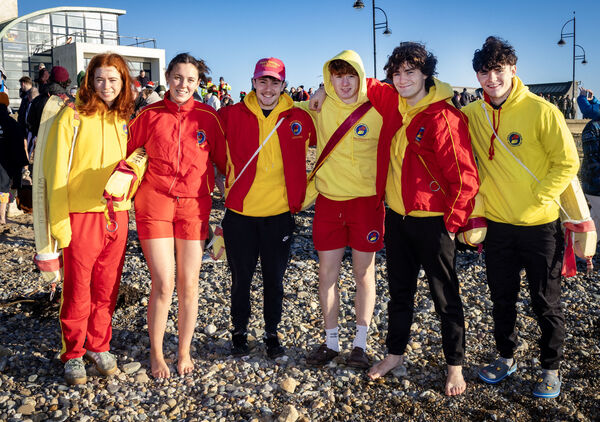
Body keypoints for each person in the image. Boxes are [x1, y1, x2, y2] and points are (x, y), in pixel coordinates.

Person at [309, 42, 479, 395]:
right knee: (400, 292)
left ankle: (455, 367)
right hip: (399, 216)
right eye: (397, 73)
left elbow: (465, 178)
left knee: (444, 296)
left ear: (425, 74)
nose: (402, 80)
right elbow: (356, 81)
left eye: (410, 72)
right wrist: (321, 89)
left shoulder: (443, 116)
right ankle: (394, 354)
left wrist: (451, 224)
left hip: (433, 220)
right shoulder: (395, 104)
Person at [462, 36, 579, 399]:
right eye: (484, 71)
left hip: (540, 226)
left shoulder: (542, 111)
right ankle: (506, 356)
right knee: (502, 298)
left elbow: (568, 162)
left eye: (498, 70)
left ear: (513, 70)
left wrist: (539, 197)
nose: (491, 78)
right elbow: (429, 106)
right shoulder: (472, 114)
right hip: (498, 226)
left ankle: (550, 368)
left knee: (545, 301)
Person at [127, 53, 226, 379]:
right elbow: (123, 154)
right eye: (178, 77)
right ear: (168, 77)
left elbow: (227, 163)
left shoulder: (209, 117)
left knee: (190, 284)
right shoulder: (149, 114)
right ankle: (156, 354)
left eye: (191, 79)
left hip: (194, 208)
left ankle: (183, 351)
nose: (183, 84)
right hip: (154, 205)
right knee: (164, 283)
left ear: (199, 83)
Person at [43, 53, 135, 385]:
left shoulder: (122, 120)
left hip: (117, 216)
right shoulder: (71, 116)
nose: (106, 86)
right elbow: (54, 175)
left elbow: (131, 168)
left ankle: (99, 344)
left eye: (113, 79)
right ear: (89, 81)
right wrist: (57, 223)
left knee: (107, 288)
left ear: (123, 82)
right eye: (100, 79)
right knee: (78, 289)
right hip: (81, 216)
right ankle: (73, 352)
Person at [217, 57, 316, 359]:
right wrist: (219, 182)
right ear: (253, 82)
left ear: (284, 85)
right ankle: (239, 333)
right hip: (240, 216)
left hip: (278, 216)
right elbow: (205, 150)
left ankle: (272, 334)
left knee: (275, 279)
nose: (269, 87)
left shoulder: (300, 117)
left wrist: (305, 195)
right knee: (240, 280)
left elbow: (330, 144)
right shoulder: (230, 114)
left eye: (275, 81)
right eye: (263, 80)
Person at [298, 50, 385, 369]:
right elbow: (283, 111)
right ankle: (331, 342)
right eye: (338, 77)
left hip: (366, 203)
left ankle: (360, 345)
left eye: (351, 76)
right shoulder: (319, 106)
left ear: (361, 77)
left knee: (364, 274)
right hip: (329, 201)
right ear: (328, 77)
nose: (345, 83)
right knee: (326, 274)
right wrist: (315, 94)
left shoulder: (377, 108)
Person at [0, 92, 28, 224]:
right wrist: (23, 163)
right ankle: (2, 217)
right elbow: (19, 145)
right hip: (5, 162)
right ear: (6, 105)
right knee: (3, 188)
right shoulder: (12, 123)